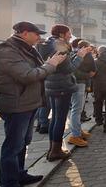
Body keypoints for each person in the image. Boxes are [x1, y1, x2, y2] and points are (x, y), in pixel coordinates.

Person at [0, 22, 66, 187]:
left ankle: (19, 174)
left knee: (23, 142)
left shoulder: (27, 48)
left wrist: (51, 64)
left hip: (27, 103)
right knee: (12, 146)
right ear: (25, 33)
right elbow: (28, 76)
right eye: (36, 34)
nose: (39, 37)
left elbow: (38, 71)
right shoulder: (8, 51)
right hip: (16, 105)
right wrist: (51, 64)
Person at [38, 24, 89, 162]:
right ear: (61, 34)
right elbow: (68, 69)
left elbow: (59, 65)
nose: (70, 35)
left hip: (51, 84)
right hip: (62, 86)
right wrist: (79, 57)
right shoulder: (59, 45)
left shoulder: (47, 44)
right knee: (59, 119)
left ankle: (52, 149)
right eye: (68, 33)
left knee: (55, 118)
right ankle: (56, 151)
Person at [68, 40, 96, 147]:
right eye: (89, 47)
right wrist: (87, 76)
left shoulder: (74, 54)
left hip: (75, 83)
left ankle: (78, 131)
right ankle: (75, 135)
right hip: (80, 83)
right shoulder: (87, 55)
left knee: (76, 109)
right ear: (86, 47)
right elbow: (93, 71)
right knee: (77, 109)